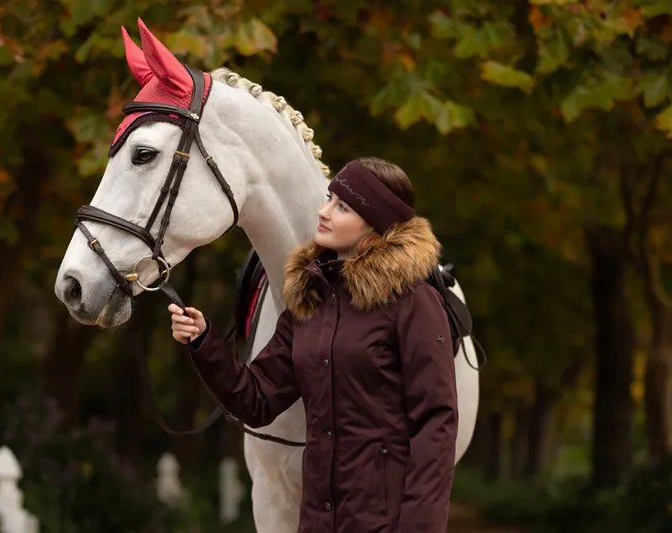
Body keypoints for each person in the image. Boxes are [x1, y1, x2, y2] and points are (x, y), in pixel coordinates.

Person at [169, 157, 458, 533]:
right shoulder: (311, 301)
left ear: (376, 224)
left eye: (343, 207)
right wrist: (204, 341)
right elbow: (256, 399)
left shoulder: (414, 302)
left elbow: (436, 422)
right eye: (328, 199)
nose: (323, 212)